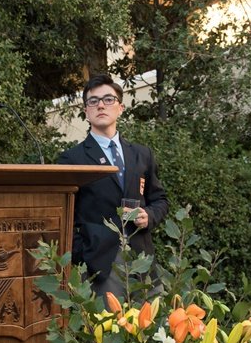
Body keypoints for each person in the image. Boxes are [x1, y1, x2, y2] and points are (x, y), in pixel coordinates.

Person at [58, 74, 168, 298]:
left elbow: (160, 199)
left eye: (108, 99)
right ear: (86, 111)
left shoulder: (142, 154)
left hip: (142, 260)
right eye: (93, 101)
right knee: (109, 321)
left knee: (155, 320)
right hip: (100, 264)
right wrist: (83, 253)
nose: (100, 105)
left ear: (120, 108)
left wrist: (149, 215)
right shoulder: (72, 159)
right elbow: (62, 214)